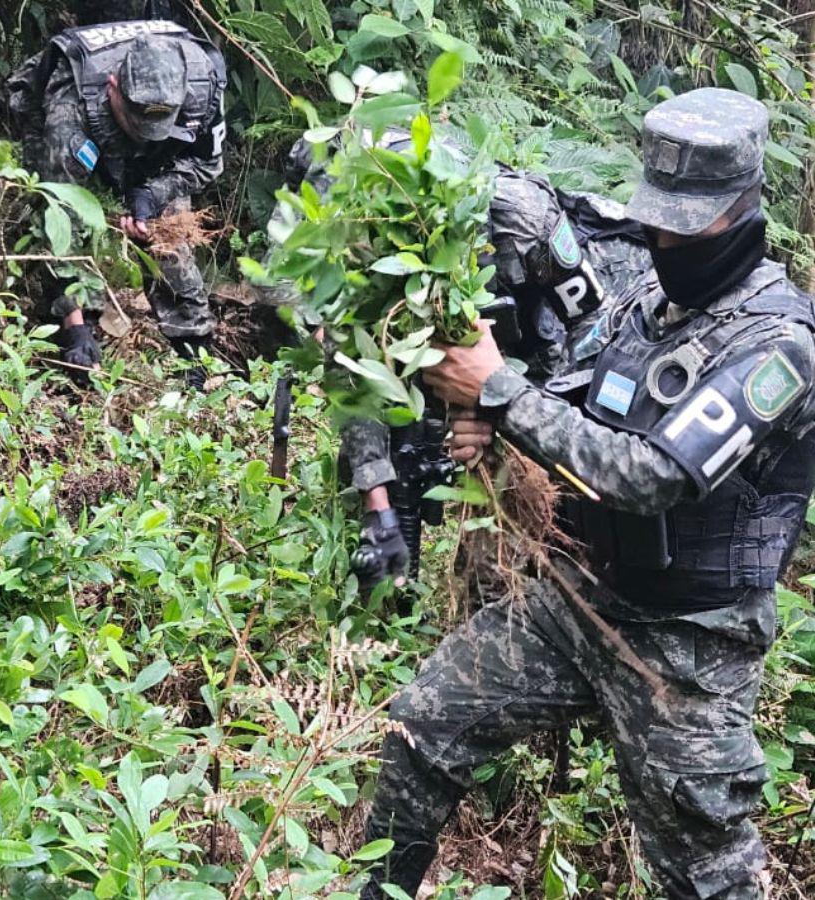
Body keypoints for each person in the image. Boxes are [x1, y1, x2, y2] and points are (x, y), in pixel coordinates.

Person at [363, 87, 811, 900]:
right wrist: (495, 416)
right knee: (419, 731)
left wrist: (499, 392)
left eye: (688, 220)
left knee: (707, 872)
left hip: (684, 646)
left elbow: (651, 476)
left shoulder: (778, 346)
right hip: (579, 602)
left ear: (744, 209)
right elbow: (576, 389)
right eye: (659, 214)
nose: (666, 235)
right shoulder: (652, 298)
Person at [343, 167, 653, 591]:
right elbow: (361, 382)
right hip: (503, 347)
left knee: (557, 504)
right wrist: (378, 505)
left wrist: (505, 406)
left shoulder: (520, 217)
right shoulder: (370, 251)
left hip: (600, 316)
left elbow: (595, 338)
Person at [7, 20, 227, 386]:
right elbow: (61, 213)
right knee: (59, 212)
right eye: (137, 122)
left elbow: (208, 162)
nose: (145, 135)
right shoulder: (71, 106)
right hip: (63, 121)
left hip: (154, 156)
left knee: (167, 235)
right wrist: (76, 327)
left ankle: (194, 348)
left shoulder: (202, 86)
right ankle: (75, 324)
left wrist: (152, 193)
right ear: (113, 88)